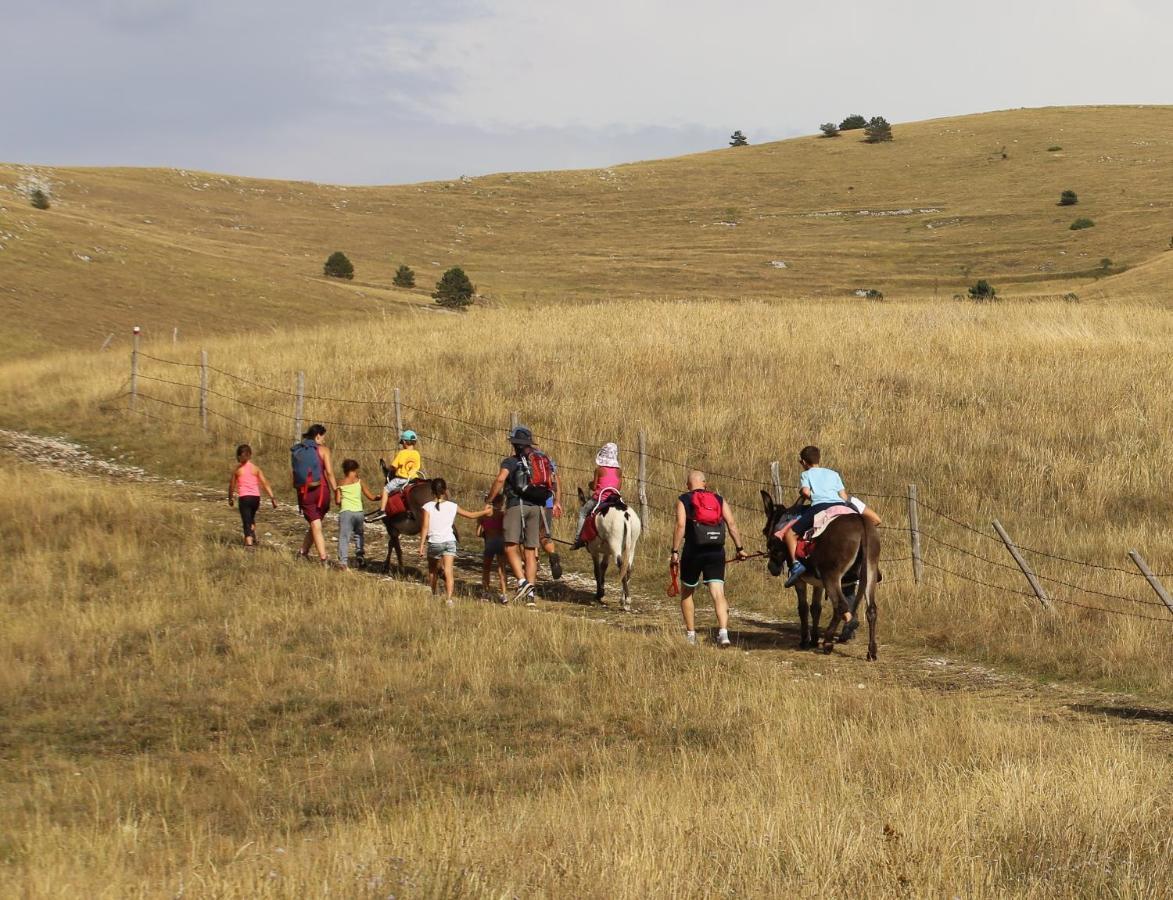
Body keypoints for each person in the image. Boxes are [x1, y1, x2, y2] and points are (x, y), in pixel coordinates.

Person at [781, 445, 880, 587]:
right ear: (818, 459)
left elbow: (805, 492)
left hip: (820, 506)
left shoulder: (806, 474)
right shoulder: (834, 474)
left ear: (803, 462)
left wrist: (812, 496)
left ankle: (796, 565)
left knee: (790, 534)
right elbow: (844, 496)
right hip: (841, 506)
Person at [670, 470, 748, 647]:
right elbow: (732, 524)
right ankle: (723, 633)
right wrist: (740, 548)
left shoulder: (684, 499)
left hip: (693, 550)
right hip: (716, 550)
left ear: (688, 485)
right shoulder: (718, 499)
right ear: (705, 484)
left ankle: (691, 635)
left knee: (687, 592)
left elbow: (681, 525)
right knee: (718, 592)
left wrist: (674, 551)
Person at [486, 425, 556, 606]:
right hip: (537, 506)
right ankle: (531, 596)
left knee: (510, 546)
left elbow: (501, 479)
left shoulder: (510, 462)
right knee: (531, 551)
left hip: (517, 505)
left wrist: (490, 498)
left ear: (515, 445)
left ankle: (522, 582)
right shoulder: (540, 459)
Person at [417, 477, 491, 605]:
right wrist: (485, 511)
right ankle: (449, 599)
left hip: (434, 542)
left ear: (432, 491)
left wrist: (422, 545)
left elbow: (425, 527)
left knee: (432, 570)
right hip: (449, 541)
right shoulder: (452, 506)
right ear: (445, 490)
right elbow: (470, 515)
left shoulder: (427, 507)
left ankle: (434, 593)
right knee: (448, 571)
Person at [291, 424, 337, 564]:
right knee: (316, 524)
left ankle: (304, 552)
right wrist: (336, 490)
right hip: (322, 492)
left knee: (315, 524)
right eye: (323, 437)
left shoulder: (298, 450)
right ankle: (323, 558)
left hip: (305, 493)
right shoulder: (324, 450)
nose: (324, 440)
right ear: (318, 435)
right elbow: (329, 473)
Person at [572, 441, 623, 548]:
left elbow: (594, 487)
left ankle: (578, 539)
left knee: (583, 512)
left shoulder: (599, 469)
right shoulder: (619, 471)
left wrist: (590, 484)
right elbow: (618, 488)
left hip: (600, 499)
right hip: (613, 499)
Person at [227, 443, 276, 547]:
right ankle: (253, 537)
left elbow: (231, 485)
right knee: (251, 518)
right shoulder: (256, 469)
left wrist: (230, 498)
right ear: (250, 455)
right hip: (255, 499)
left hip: (245, 498)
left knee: (246, 521)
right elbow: (265, 483)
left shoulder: (237, 470)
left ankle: (249, 544)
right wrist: (272, 497)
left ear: (239, 456)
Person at [335, 458, 380, 569]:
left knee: (344, 537)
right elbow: (371, 497)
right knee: (359, 535)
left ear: (345, 470)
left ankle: (343, 562)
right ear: (355, 469)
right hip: (359, 513)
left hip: (346, 512)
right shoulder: (359, 482)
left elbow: (337, 501)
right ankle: (360, 556)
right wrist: (380, 497)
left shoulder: (340, 483)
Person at [478, 494, 508, 602]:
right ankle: (504, 593)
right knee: (501, 568)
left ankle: (486, 592)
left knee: (486, 568)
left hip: (489, 542)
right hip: (500, 542)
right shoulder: (502, 514)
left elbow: (478, 533)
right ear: (501, 503)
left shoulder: (484, 515)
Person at [382, 430, 422, 503]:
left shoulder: (401, 453)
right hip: (414, 478)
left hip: (401, 479)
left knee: (385, 489)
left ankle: (382, 510)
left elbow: (394, 466)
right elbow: (417, 466)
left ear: (404, 442)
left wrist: (389, 469)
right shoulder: (417, 453)